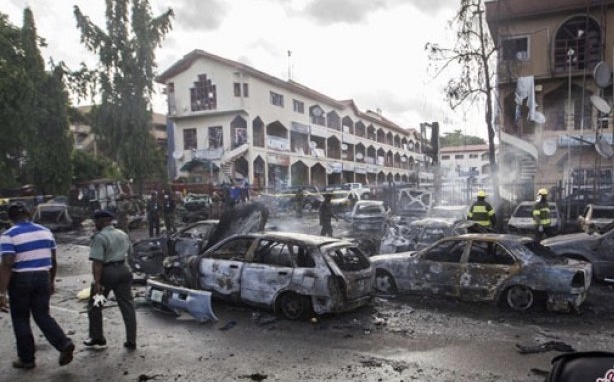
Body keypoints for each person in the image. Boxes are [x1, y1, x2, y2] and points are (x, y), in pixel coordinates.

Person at [0, 203, 75, 369]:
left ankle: (27, 359)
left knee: (20, 319)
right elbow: (54, 259)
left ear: (10, 217)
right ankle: (63, 343)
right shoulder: (45, 231)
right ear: (28, 213)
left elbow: (7, 263)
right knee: (42, 315)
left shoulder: (8, 235)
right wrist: (51, 281)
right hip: (43, 276)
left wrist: (1, 292)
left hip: (21, 279)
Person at [84, 210, 137, 351]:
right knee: (127, 306)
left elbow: (97, 262)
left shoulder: (99, 238)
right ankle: (131, 340)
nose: (95, 225)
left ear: (101, 222)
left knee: (96, 305)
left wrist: (97, 282)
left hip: (107, 274)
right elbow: (131, 254)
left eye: (96, 222)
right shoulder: (122, 234)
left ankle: (98, 337)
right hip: (124, 271)